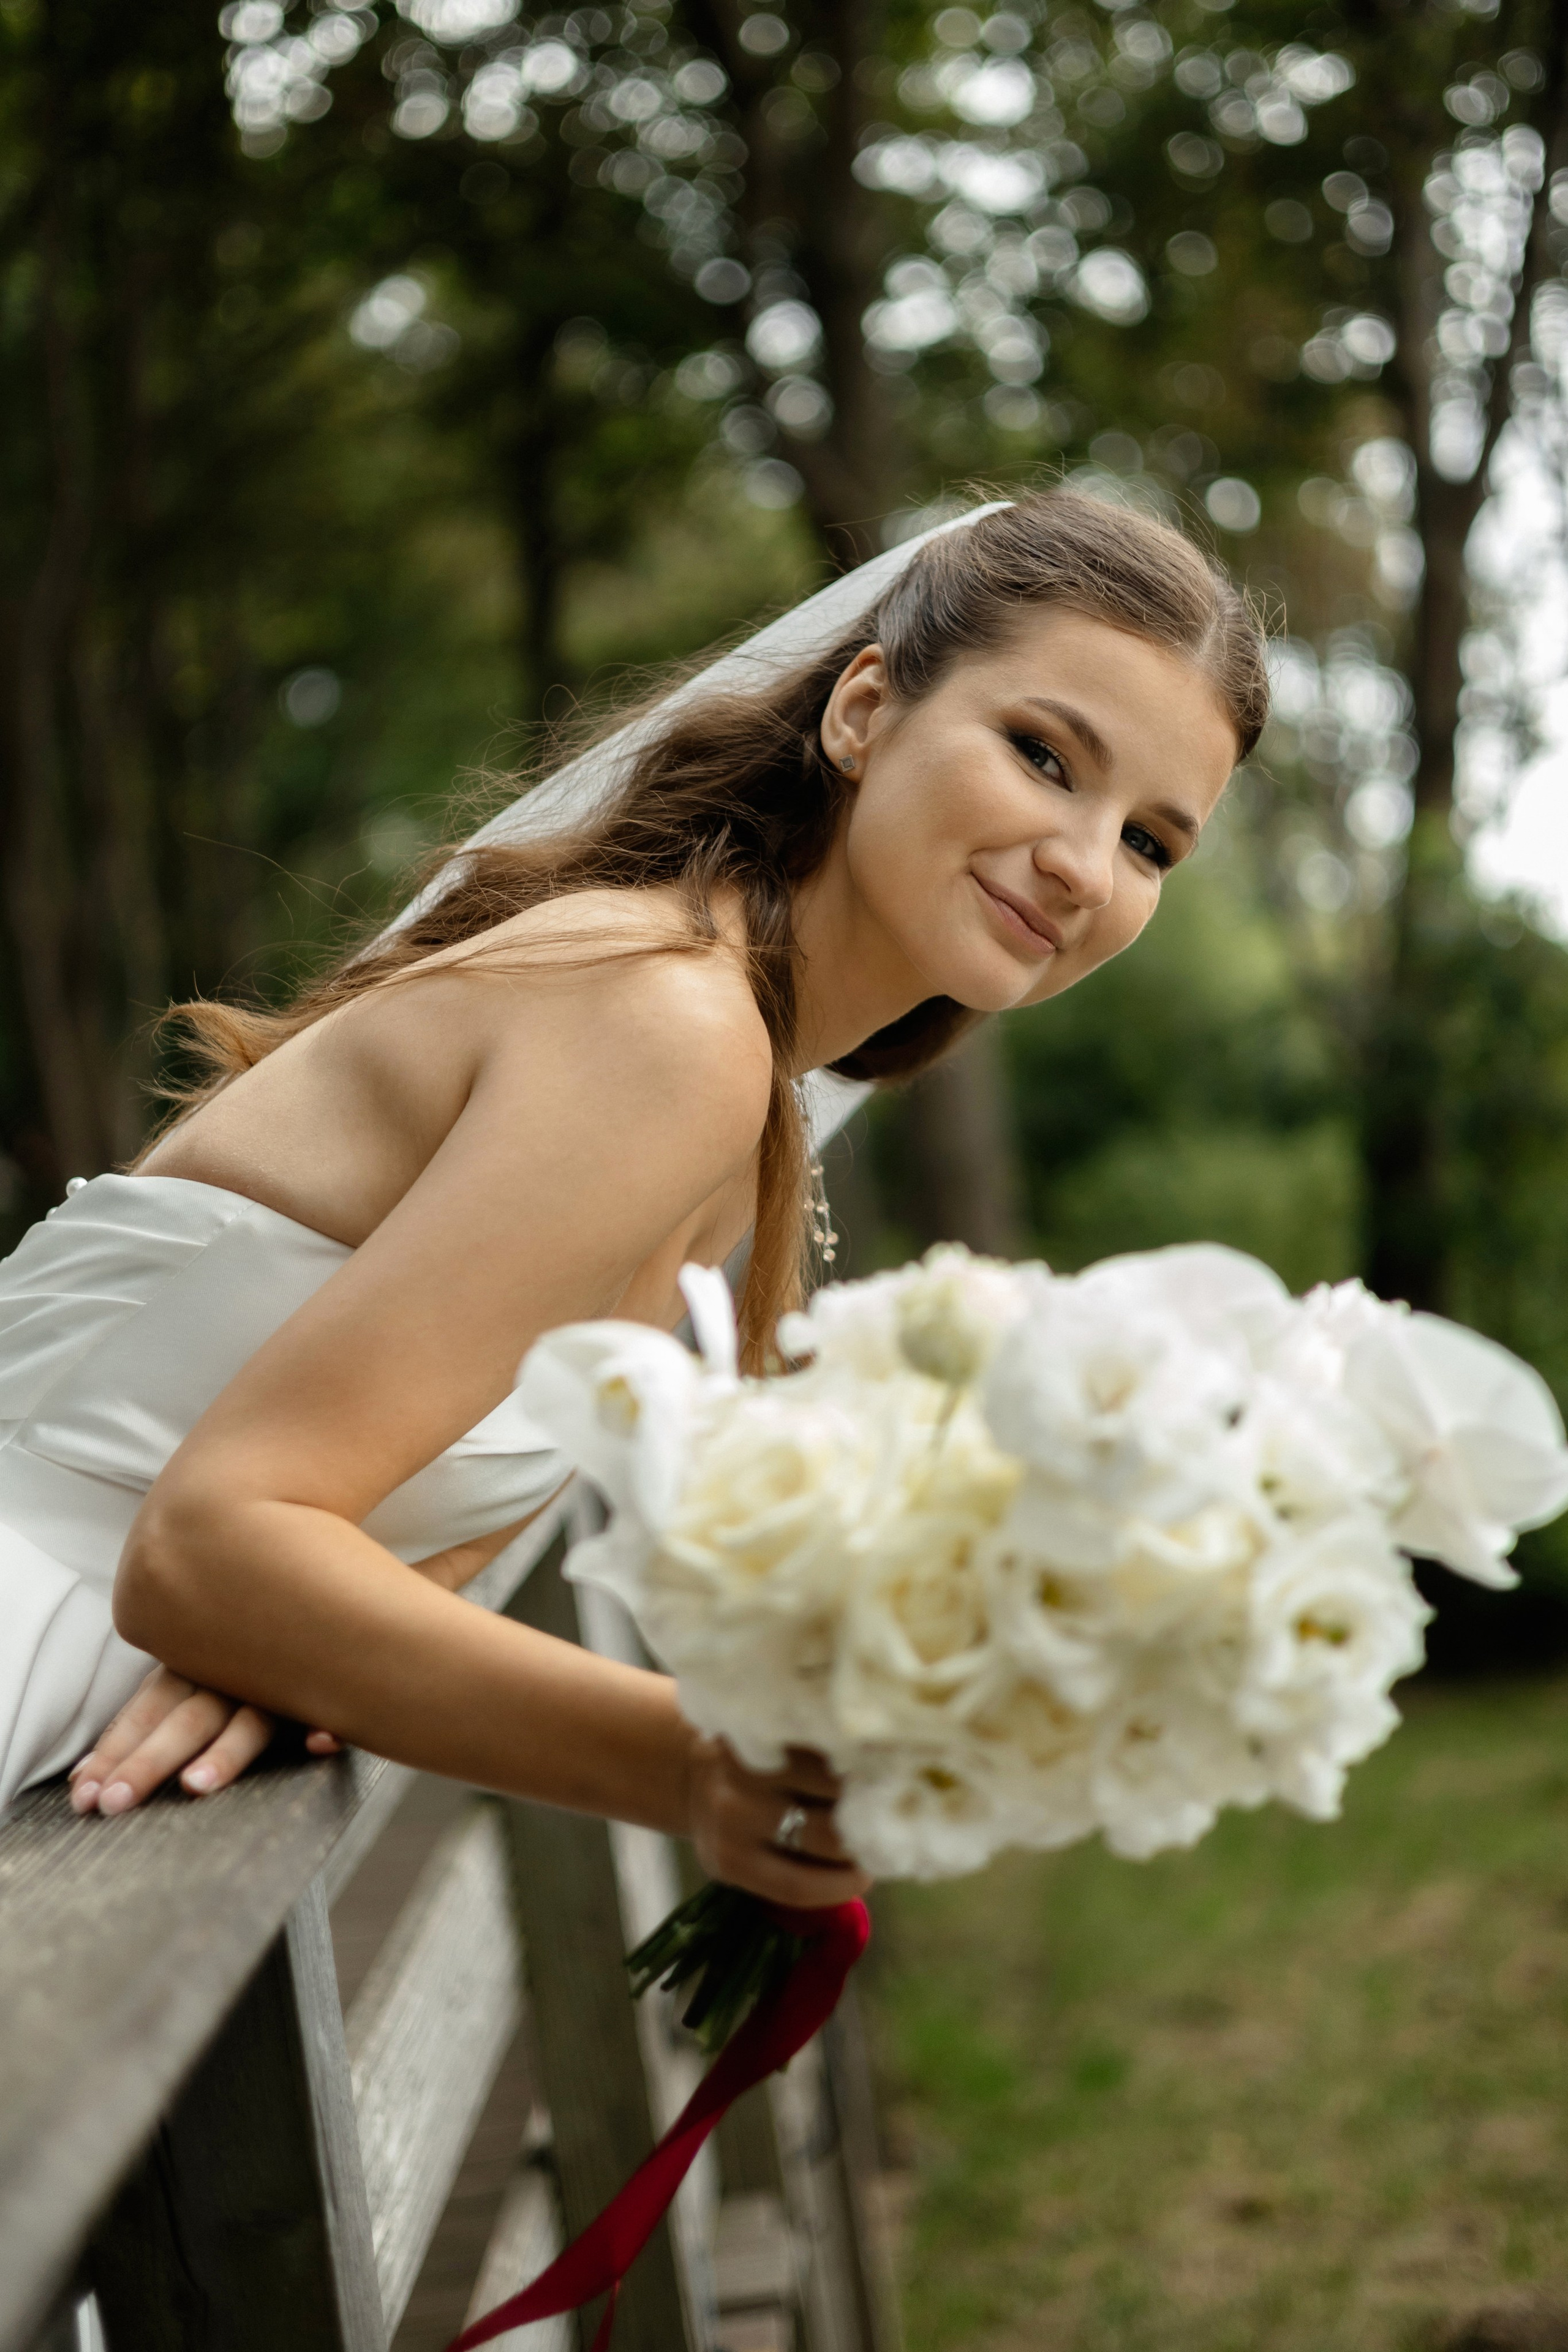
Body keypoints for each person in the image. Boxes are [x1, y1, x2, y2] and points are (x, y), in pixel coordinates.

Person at [0, 489, 1265, 1910]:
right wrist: (710, 1773)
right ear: (863, 710)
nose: (1084, 866)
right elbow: (203, 1548)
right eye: (1041, 756)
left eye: (1150, 843)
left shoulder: (742, 1090)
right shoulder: (665, 1024)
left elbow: (311, 1552)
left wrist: (294, 1643)